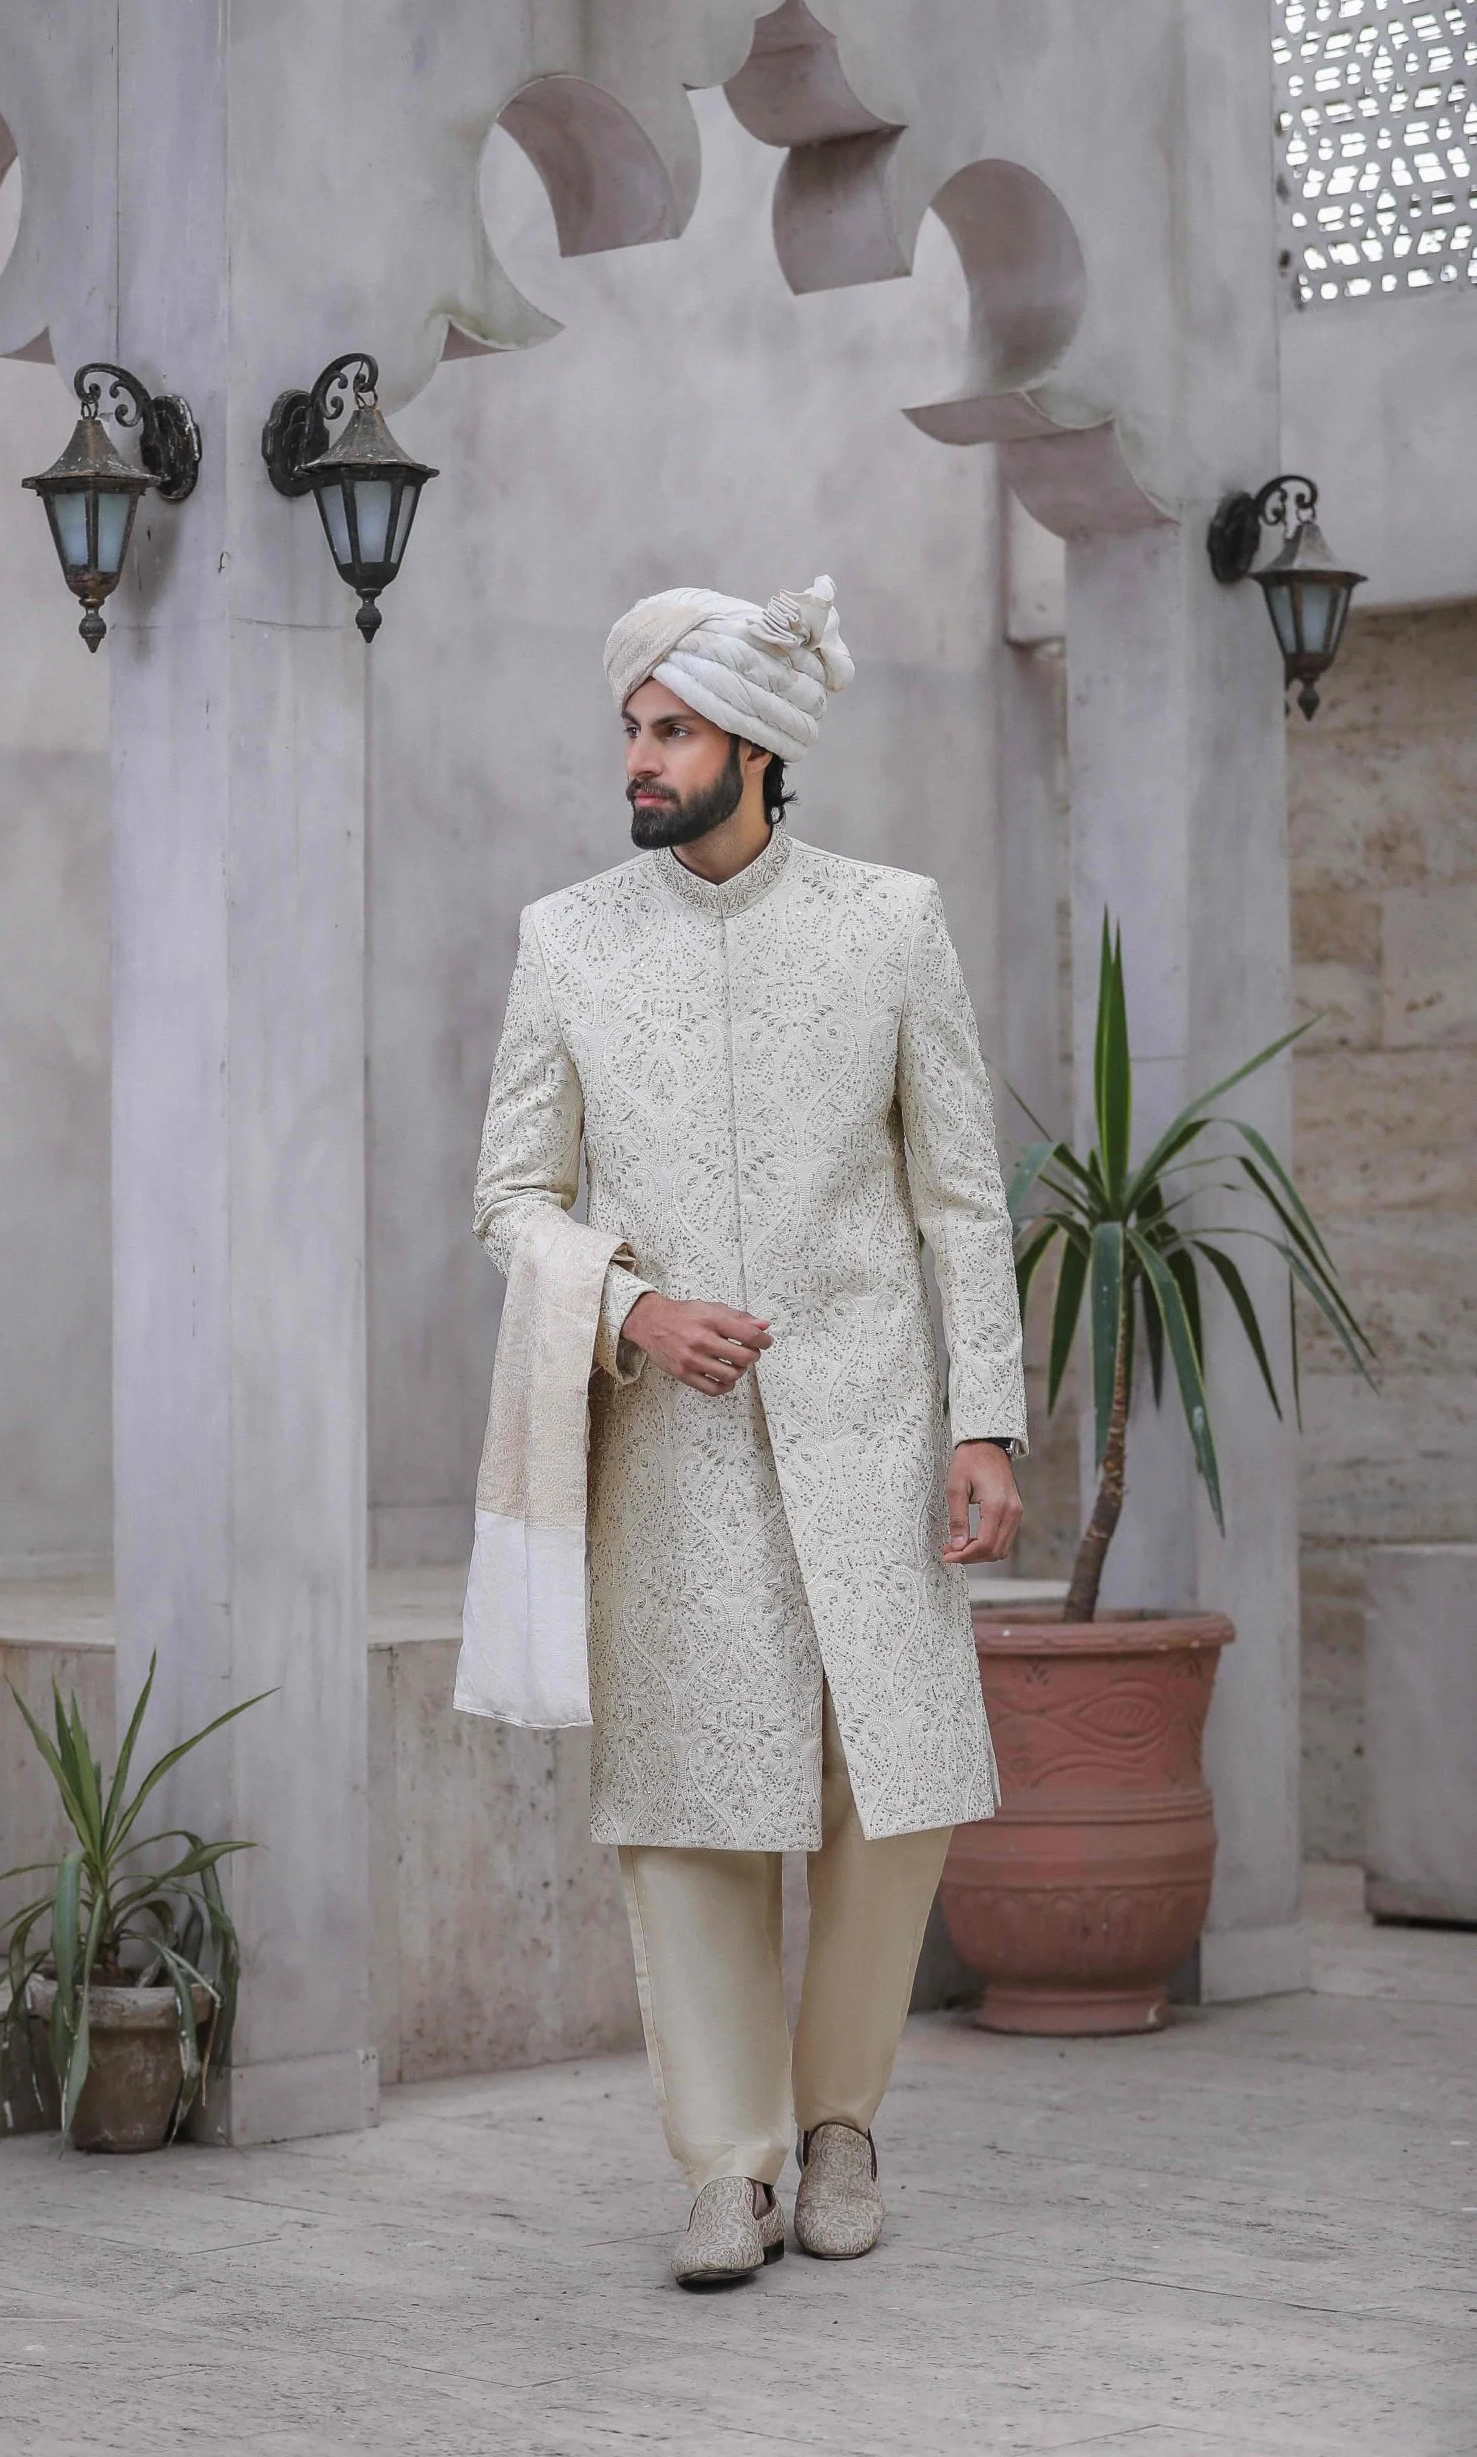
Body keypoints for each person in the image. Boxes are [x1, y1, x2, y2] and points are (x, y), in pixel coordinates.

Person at [472, 576, 1026, 2287]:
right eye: (630, 728)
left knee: (892, 1782)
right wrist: (628, 1305)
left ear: (758, 749)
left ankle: (840, 2121)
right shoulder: (568, 940)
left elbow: (959, 1196)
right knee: (687, 1800)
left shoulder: (889, 924)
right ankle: (731, 2164)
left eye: (671, 730)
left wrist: (986, 1423)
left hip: (874, 1424)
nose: (638, 759)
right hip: (672, 1443)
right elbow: (509, 1198)